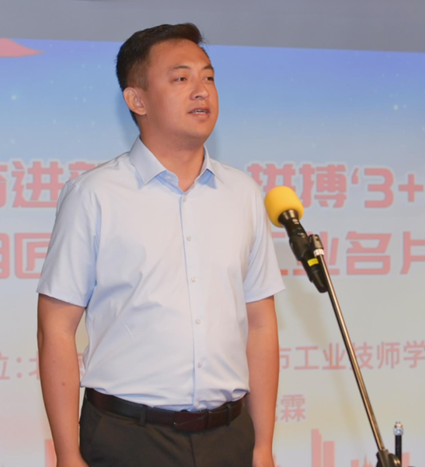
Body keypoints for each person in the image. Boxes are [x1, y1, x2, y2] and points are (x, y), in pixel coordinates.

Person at [36, 23, 285, 467]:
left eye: (208, 77)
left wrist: (262, 445)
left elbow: (261, 322)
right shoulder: (94, 195)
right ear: (137, 100)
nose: (201, 90)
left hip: (229, 436)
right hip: (128, 438)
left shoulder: (243, 194)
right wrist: (68, 455)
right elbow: (55, 326)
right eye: (181, 78)